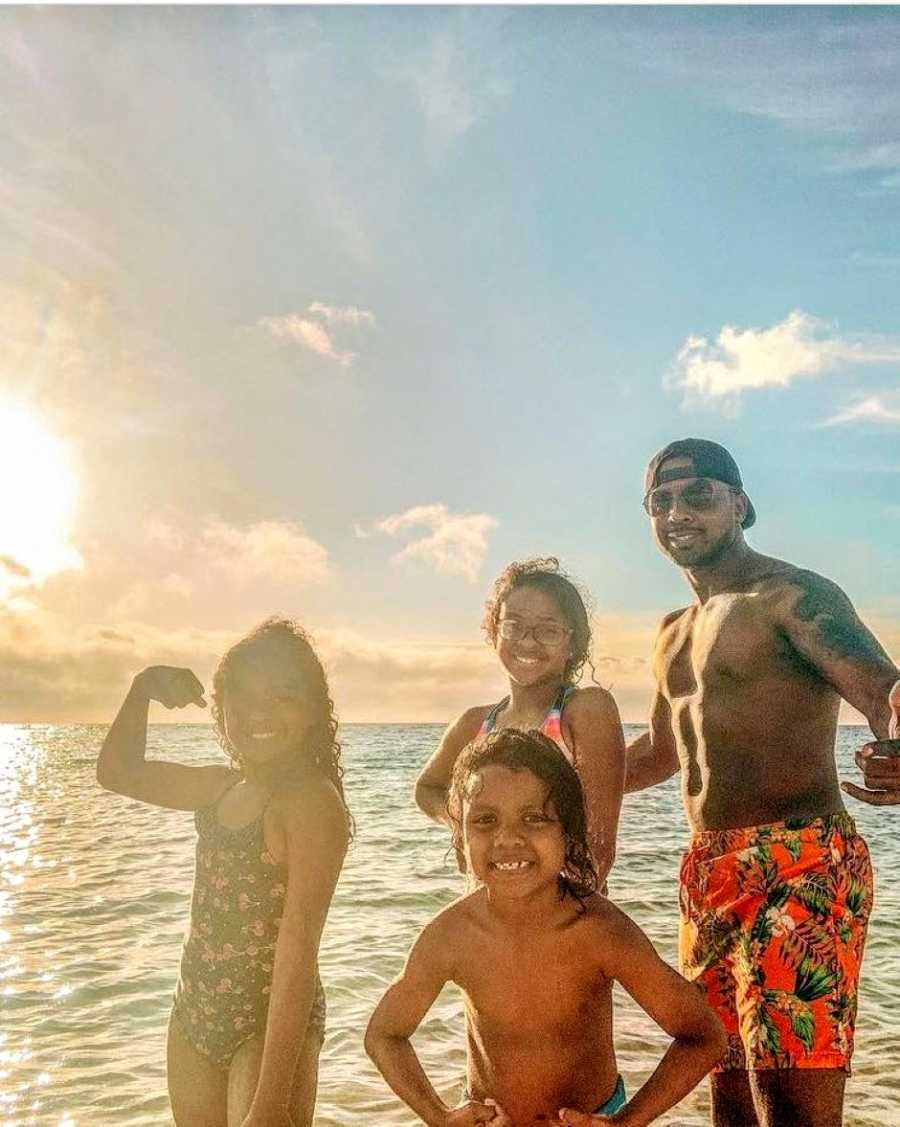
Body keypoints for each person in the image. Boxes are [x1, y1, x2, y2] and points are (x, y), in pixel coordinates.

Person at [626, 438, 900, 1127]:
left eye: (698, 495)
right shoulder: (670, 632)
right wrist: (551, 783)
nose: (677, 511)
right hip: (707, 873)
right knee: (730, 1100)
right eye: (661, 501)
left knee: (792, 1102)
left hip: (800, 859)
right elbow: (662, 752)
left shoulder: (790, 595)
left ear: (740, 505)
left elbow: (882, 689)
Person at [367, 728, 725, 1126]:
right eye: (485, 820)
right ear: (461, 835)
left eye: (534, 818)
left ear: (568, 833)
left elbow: (703, 1036)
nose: (507, 839)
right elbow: (385, 1035)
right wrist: (440, 1117)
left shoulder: (599, 931)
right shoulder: (452, 935)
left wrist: (626, 1122)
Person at [96, 617, 350, 1127]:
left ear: (312, 709)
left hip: (268, 1026)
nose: (260, 713)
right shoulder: (220, 788)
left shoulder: (310, 802)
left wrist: (272, 1100)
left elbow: (298, 950)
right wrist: (142, 688)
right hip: (194, 1010)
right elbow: (117, 772)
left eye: (282, 696)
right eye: (245, 697)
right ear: (222, 706)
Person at [416, 558, 625, 889]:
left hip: (563, 915)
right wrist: (463, 821)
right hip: (489, 910)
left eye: (548, 630)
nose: (528, 642)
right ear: (494, 631)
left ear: (573, 642)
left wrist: (563, 921)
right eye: (513, 625)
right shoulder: (474, 723)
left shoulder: (585, 710)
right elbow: (427, 789)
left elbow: (597, 844)